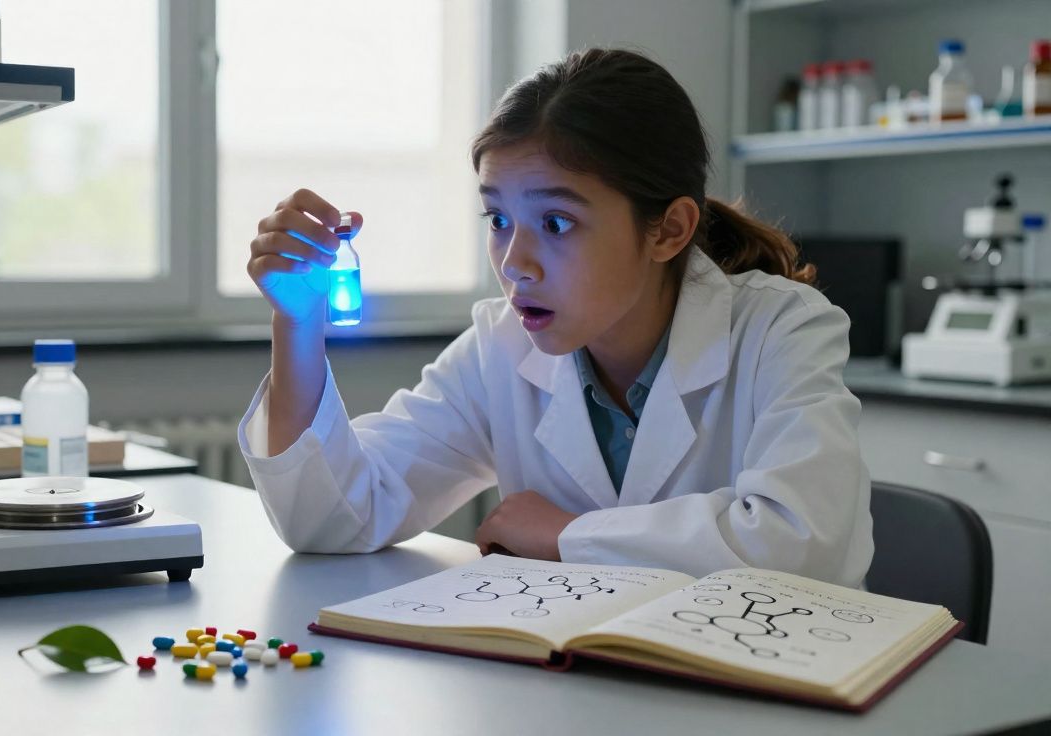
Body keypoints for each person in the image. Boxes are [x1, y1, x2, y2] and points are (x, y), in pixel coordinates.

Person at [237, 48, 873, 587]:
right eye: (499, 220)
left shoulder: (781, 331)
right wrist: (295, 326)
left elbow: (799, 550)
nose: (515, 263)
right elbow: (334, 519)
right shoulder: (502, 347)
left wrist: (568, 535)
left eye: (556, 222)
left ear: (669, 230)